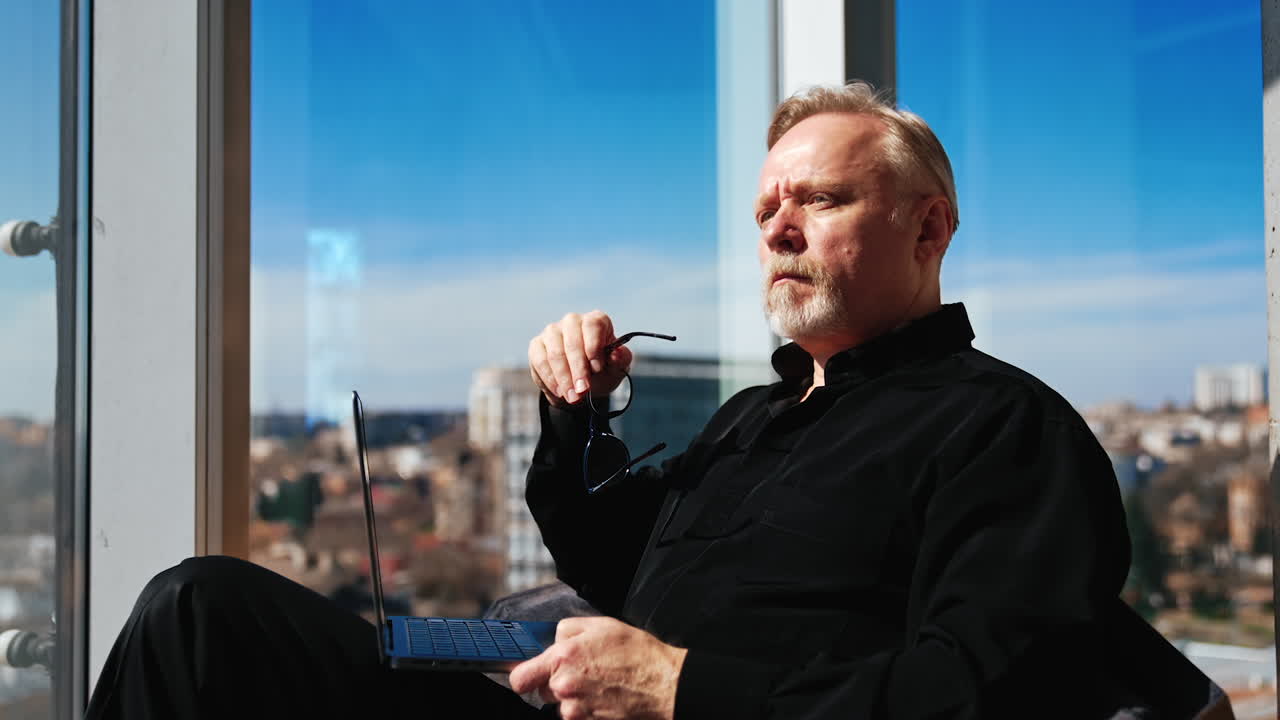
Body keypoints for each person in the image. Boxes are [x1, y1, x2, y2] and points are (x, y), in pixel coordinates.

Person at [85, 83, 1171, 720]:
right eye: (764, 210)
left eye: (820, 201)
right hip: (560, 700)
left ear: (928, 228)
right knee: (202, 612)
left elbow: (980, 696)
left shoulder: (1001, 428)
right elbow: (620, 567)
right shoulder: (754, 416)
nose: (776, 231)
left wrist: (677, 687)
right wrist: (572, 416)